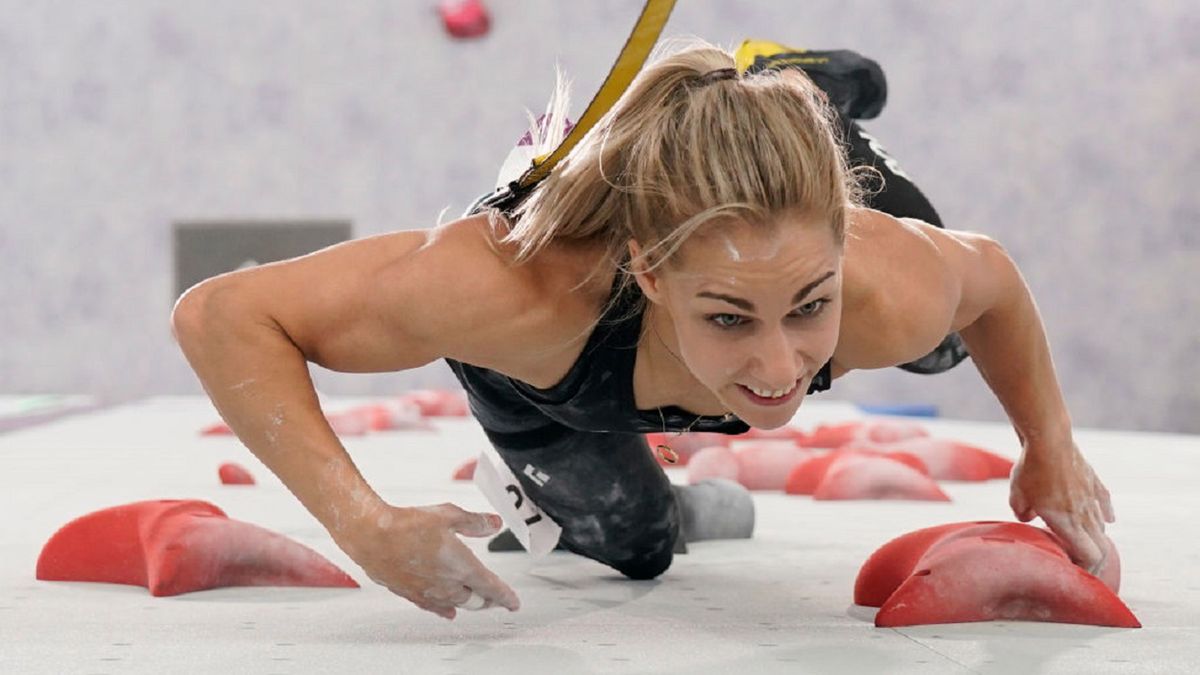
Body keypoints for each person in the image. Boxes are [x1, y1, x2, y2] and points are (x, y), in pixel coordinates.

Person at [171, 41, 1115, 620]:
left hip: (835, 229)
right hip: (558, 378)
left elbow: (990, 280)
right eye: (729, 316)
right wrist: (363, 522)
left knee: (943, 337)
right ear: (650, 272)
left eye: (809, 306)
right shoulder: (516, 297)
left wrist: (1050, 444)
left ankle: (801, 87)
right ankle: (775, 91)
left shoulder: (879, 289)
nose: (782, 367)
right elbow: (224, 313)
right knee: (638, 548)